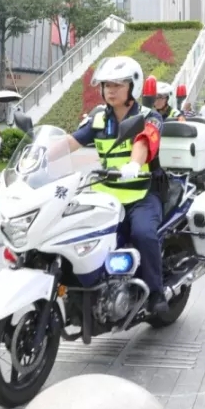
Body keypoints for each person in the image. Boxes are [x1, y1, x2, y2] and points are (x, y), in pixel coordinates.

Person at [68, 56, 169, 315]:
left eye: (117, 85)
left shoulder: (149, 116)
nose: (110, 90)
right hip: (106, 195)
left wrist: (134, 164)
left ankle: (155, 294)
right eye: (106, 85)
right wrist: (40, 155)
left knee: (143, 233)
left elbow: (144, 141)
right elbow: (72, 142)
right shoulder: (98, 118)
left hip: (142, 193)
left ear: (132, 87)